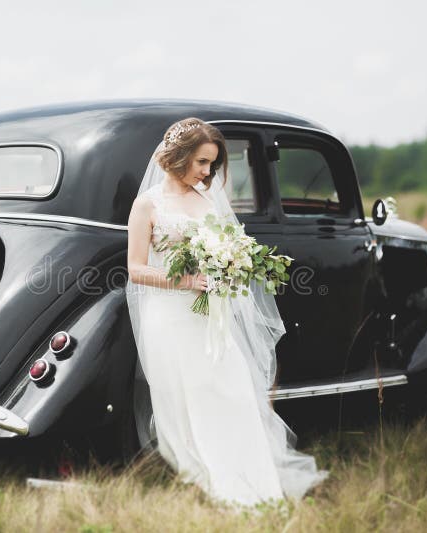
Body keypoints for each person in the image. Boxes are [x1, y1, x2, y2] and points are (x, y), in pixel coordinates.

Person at [126, 118, 326, 506]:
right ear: (179, 156)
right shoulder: (147, 205)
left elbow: (231, 246)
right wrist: (184, 281)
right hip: (170, 316)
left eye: (211, 165)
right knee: (189, 397)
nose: (206, 172)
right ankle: (209, 480)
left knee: (232, 389)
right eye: (201, 162)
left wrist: (231, 265)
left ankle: (254, 482)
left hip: (210, 315)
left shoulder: (206, 198)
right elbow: (135, 269)